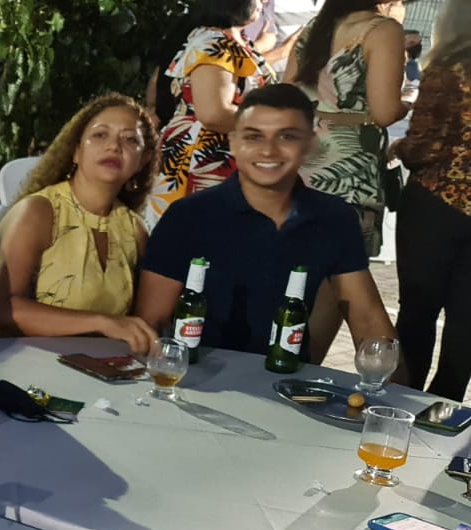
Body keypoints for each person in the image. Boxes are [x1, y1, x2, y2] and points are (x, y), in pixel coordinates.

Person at [135, 84, 402, 372]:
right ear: (233, 142)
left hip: (285, 379)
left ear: (310, 143)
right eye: (254, 136)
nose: (268, 150)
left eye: (287, 136)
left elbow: (368, 319)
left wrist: (399, 395)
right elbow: (152, 324)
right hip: (198, 378)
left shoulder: (333, 217)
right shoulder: (189, 215)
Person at [0, 94, 161, 353]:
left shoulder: (135, 230)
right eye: (100, 135)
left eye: (130, 139)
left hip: (91, 364)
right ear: (75, 150)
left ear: (144, 159)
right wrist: (102, 323)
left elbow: (140, 322)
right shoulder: (38, 212)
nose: (113, 146)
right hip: (7, 360)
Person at [286, 0, 411, 257]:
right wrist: (407, 104)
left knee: (295, 253)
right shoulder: (383, 30)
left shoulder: (316, 26)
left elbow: (287, 90)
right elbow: (385, 112)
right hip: (349, 160)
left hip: (302, 153)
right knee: (341, 262)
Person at [394, 0, 471, 400]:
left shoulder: (448, 69)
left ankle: (402, 400)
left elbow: (425, 146)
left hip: (436, 202)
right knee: (466, 320)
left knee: (417, 311)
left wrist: (398, 149)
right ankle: (444, 407)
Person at [148, 0, 278, 227]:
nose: (264, 2)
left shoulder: (232, 39)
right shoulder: (214, 42)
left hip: (222, 156)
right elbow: (214, 113)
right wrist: (273, 124)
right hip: (205, 161)